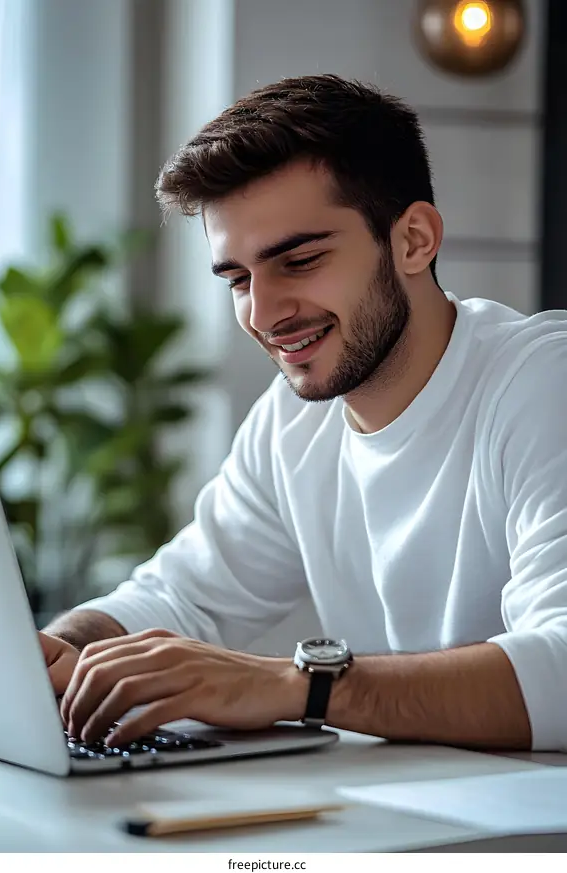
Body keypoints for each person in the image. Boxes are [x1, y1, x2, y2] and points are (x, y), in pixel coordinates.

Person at [41, 73, 567, 754]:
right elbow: (182, 599)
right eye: (237, 278)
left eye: (299, 259)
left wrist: (303, 684)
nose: (261, 313)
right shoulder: (291, 422)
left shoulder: (540, 383)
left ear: (413, 240)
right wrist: (54, 648)